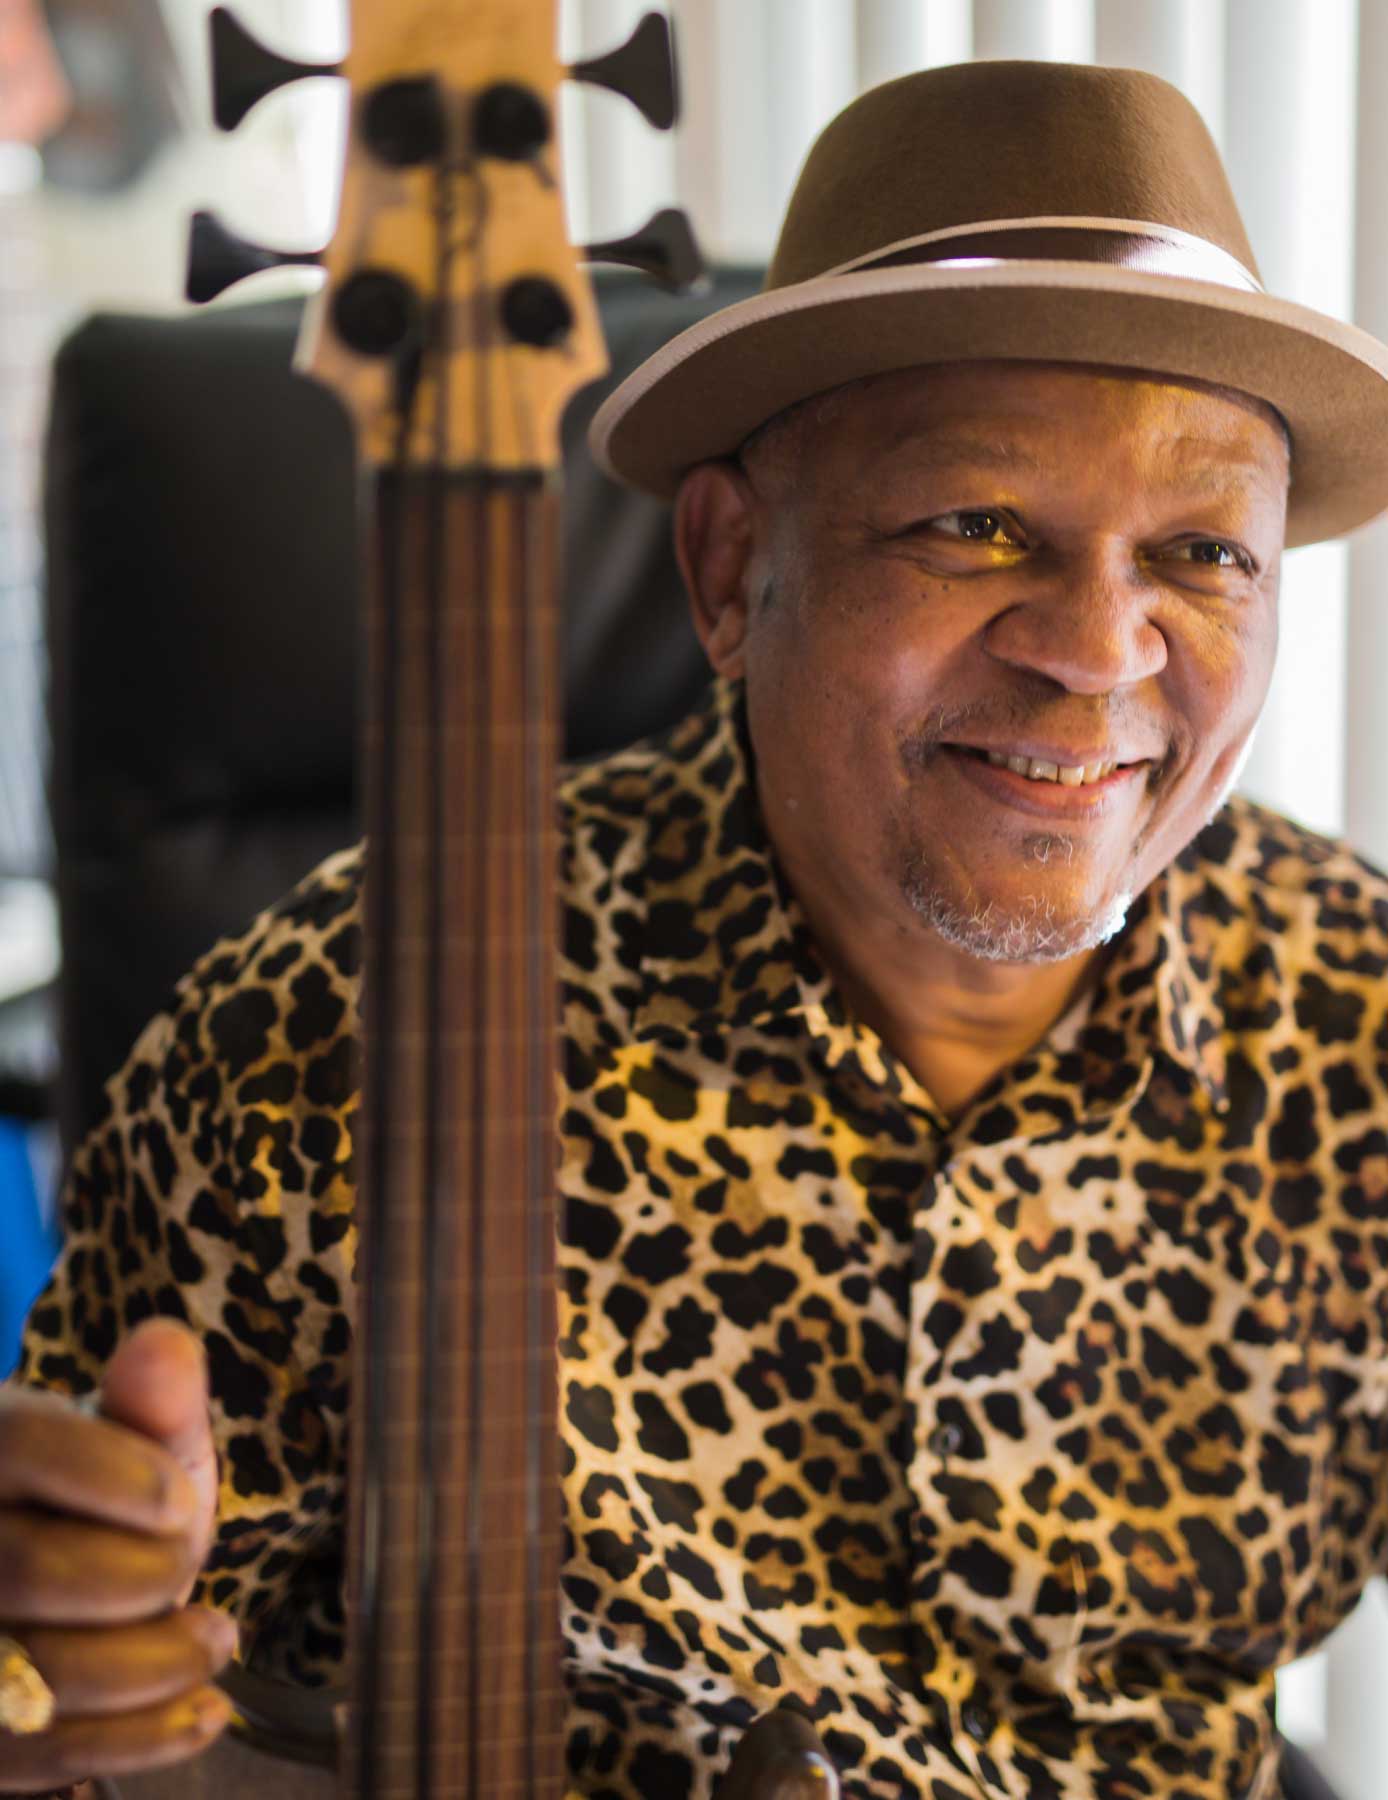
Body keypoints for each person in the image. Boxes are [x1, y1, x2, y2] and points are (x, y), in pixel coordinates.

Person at [5, 56, 1388, 1800]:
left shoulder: (1355, 1018)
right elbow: (81, 1687)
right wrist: (57, 1682)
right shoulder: (333, 1048)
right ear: (733, 569)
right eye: (977, 526)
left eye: (1204, 556)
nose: (1102, 651)